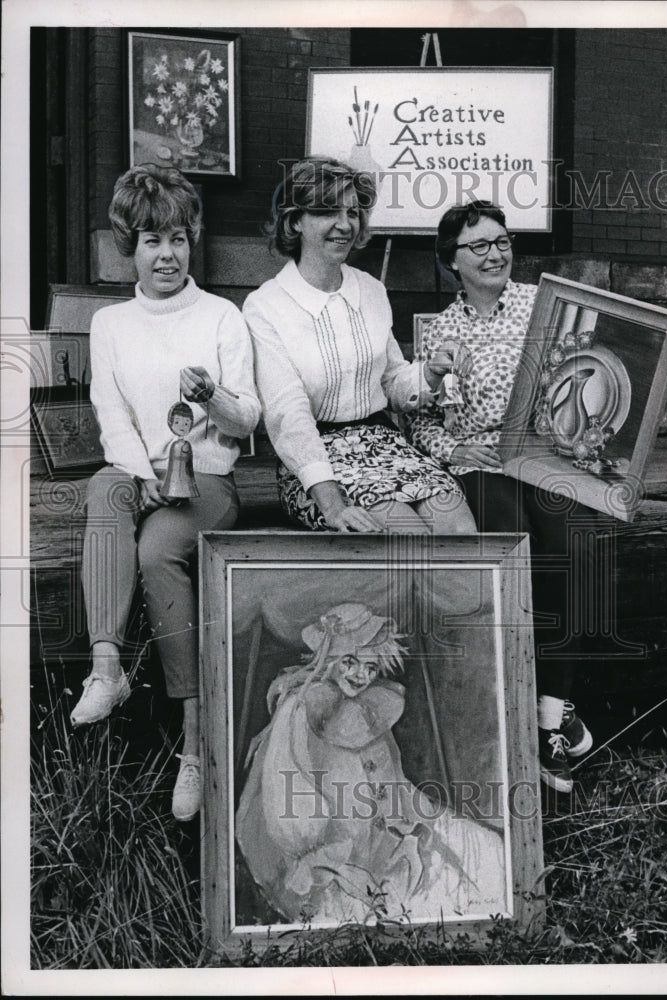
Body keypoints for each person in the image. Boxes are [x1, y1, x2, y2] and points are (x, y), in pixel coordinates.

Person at [409, 200, 667, 794]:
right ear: (451, 263)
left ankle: (551, 716)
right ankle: (520, 714)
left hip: (551, 455)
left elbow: (619, 345)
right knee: (514, 557)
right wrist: (458, 452)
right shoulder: (442, 333)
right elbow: (422, 426)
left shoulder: (548, 305)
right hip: (487, 464)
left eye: (502, 240)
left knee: (577, 552)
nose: (495, 253)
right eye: (479, 246)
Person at [70, 163, 261, 822]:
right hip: (138, 475)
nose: (167, 254)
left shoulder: (222, 316)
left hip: (207, 480)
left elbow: (246, 422)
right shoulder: (112, 324)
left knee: (157, 555)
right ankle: (107, 667)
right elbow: (111, 414)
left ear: (192, 242)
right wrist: (141, 476)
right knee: (104, 484)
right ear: (132, 245)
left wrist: (215, 396)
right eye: (152, 240)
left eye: (178, 239)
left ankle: (196, 744)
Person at [242, 157, 476, 534]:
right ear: (295, 220)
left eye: (352, 212)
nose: (345, 224)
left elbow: (392, 381)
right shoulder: (265, 307)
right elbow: (288, 417)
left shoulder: (370, 289)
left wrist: (429, 374)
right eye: (326, 211)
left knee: (461, 532)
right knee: (408, 542)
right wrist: (332, 505)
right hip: (317, 465)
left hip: (387, 445)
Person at [235, 603, 506, 924]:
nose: (360, 675)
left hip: (382, 835)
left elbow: (392, 780)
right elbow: (286, 787)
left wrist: (422, 817)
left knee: (487, 852)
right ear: (328, 659)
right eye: (349, 662)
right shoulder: (300, 707)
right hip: (330, 856)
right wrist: (323, 858)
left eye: (371, 667)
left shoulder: (367, 709)